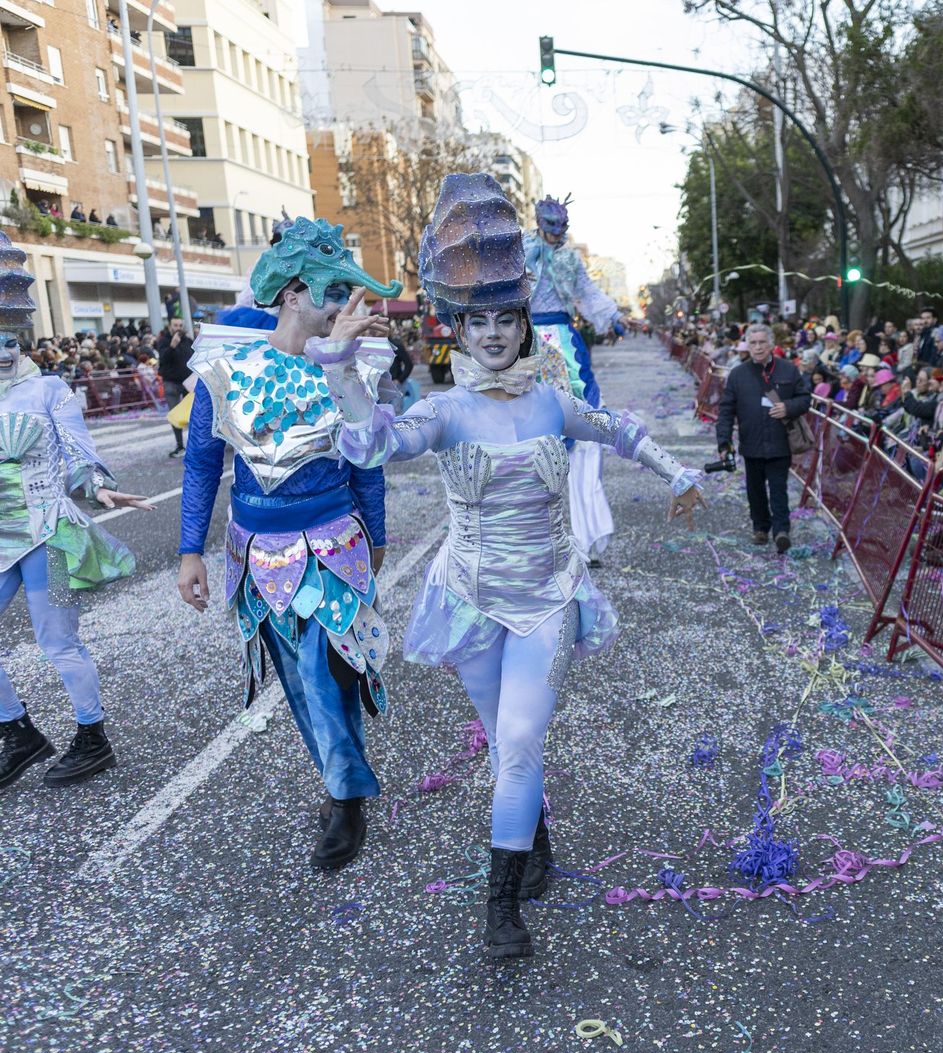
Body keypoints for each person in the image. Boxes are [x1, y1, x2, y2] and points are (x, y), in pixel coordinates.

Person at [317, 173, 705, 961]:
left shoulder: (552, 401)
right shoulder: (445, 411)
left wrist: (679, 472)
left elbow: (618, 429)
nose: (493, 333)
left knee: (521, 740)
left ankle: (500, 910)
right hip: (470, 601)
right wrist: (337, 369)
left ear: (524, 324)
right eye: (478, 320)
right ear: (457, 330)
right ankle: (538, 843)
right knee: (503, 742)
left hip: (547, 597)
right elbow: (372, 445)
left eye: (505, 319)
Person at [177, 215, 403, 871]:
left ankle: (346, 797)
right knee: (298, 683)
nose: (341, 308)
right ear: (296, 291)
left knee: (327, 672)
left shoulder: (349, 369)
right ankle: (340, 782)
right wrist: (191, 549)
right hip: (258, 551)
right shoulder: (224, 369)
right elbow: (199, 466)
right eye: (334, 293)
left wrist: (378, 535)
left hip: (334, 546)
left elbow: (368, 463)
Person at [0, 234, 152, 789]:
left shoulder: (49, 390)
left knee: (57, 641)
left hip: (50, 535)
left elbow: (78, 454)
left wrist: (97, 487)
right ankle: (18, 731)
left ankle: (93, 737)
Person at [522, 195, 629, 567]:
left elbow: (588, 292)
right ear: (538, 222)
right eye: (550, 226)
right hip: (525, 345)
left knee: (584, 435)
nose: (556, 234)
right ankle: (532, 542)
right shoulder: (520, 249)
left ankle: (586, 538)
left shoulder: (570, 259)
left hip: (564, 346)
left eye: (561, 227)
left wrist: (613, 316)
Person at [716, 320, 812, 553]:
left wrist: (788, 407)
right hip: (752, 443)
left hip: (780, 442)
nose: (758, 347)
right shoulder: (738, 374)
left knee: (779, 488)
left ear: (771, 345)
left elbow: (805, 399)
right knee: (755, 490)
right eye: (753, 343)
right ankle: (760, 527)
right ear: (747, 345)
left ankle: (781, 531)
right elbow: (726, 410)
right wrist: (724, 442)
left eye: (762, 343)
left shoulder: (788, 370)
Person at [156, 320, 193, 456]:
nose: (178, 328)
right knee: (175, 415)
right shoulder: (164, 340)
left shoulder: (187, 341)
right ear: (170, 327)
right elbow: (163, 359)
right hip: (171, 382)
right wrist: (172, 346)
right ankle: (180, 446)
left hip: (187, 383)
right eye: (175, 325)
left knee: (192, 415)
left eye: (180, 326)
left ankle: (193, 445)